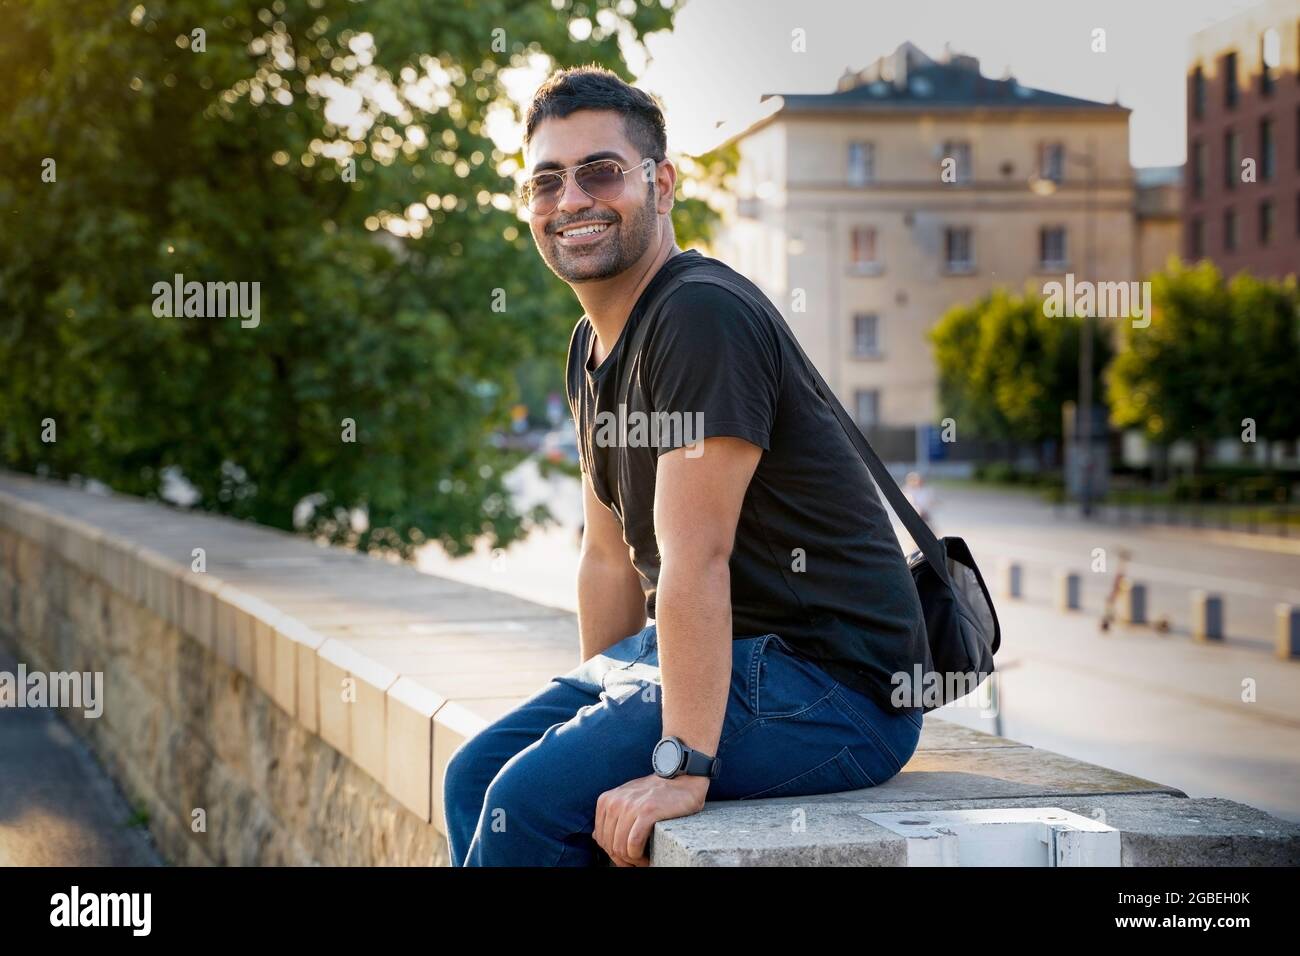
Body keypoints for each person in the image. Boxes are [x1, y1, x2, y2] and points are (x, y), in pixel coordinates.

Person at [442, 66, 927, 867]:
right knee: (474, 779)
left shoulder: (701, 314)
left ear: (661, 184)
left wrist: (681, 765)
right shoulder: (590, 348)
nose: (571, 202)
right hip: (724, 661)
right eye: (547, 182)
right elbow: (607, 559)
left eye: (601, 172)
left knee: (524, 806)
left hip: (834, 689)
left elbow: (695, 555)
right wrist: (592, 723)